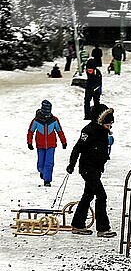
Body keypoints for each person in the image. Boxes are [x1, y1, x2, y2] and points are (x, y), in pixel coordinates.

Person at [66, 104, 117, 238]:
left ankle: (77, 225)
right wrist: (71, 164)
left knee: (88, 196)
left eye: (111, 125)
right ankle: (103, 228)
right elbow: (77, 148)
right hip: (87, 168)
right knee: (101, 195)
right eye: (108, 124)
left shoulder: (104, 132)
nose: (109, 127)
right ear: (100, 121)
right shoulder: (88, 131)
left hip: (96, 168)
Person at [27, 100, 67, 187]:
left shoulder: (54, 120)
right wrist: (29, 143)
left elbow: (59, 131)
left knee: (49, 163)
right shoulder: (36, 120)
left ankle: (47, 181)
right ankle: (43, 172)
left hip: (51, 145)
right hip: (40, 145)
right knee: (40, 164)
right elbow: (30, 131)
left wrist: (63, 142)